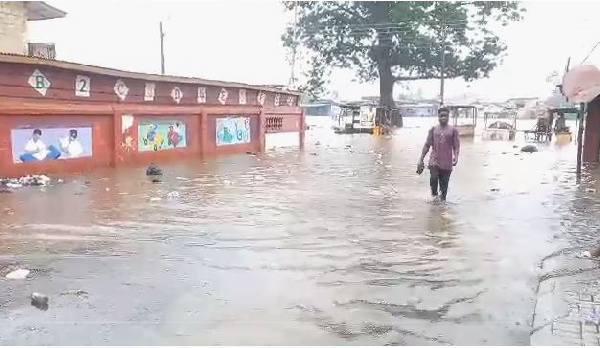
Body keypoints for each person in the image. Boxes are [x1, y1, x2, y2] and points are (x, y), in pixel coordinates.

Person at [417, 107, 460, 202]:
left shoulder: (453, 130)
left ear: (449, 117)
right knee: (433, 179)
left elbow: (456, 146)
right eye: (441, 116)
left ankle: (441, 208)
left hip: (447, 162)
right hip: (434, 160)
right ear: (438, 117)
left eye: (445, 116)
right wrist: (421, 159)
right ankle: (434, 202)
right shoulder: (433, 130)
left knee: (444, 189)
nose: (443, 118)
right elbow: (427, 145)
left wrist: (456, 157)